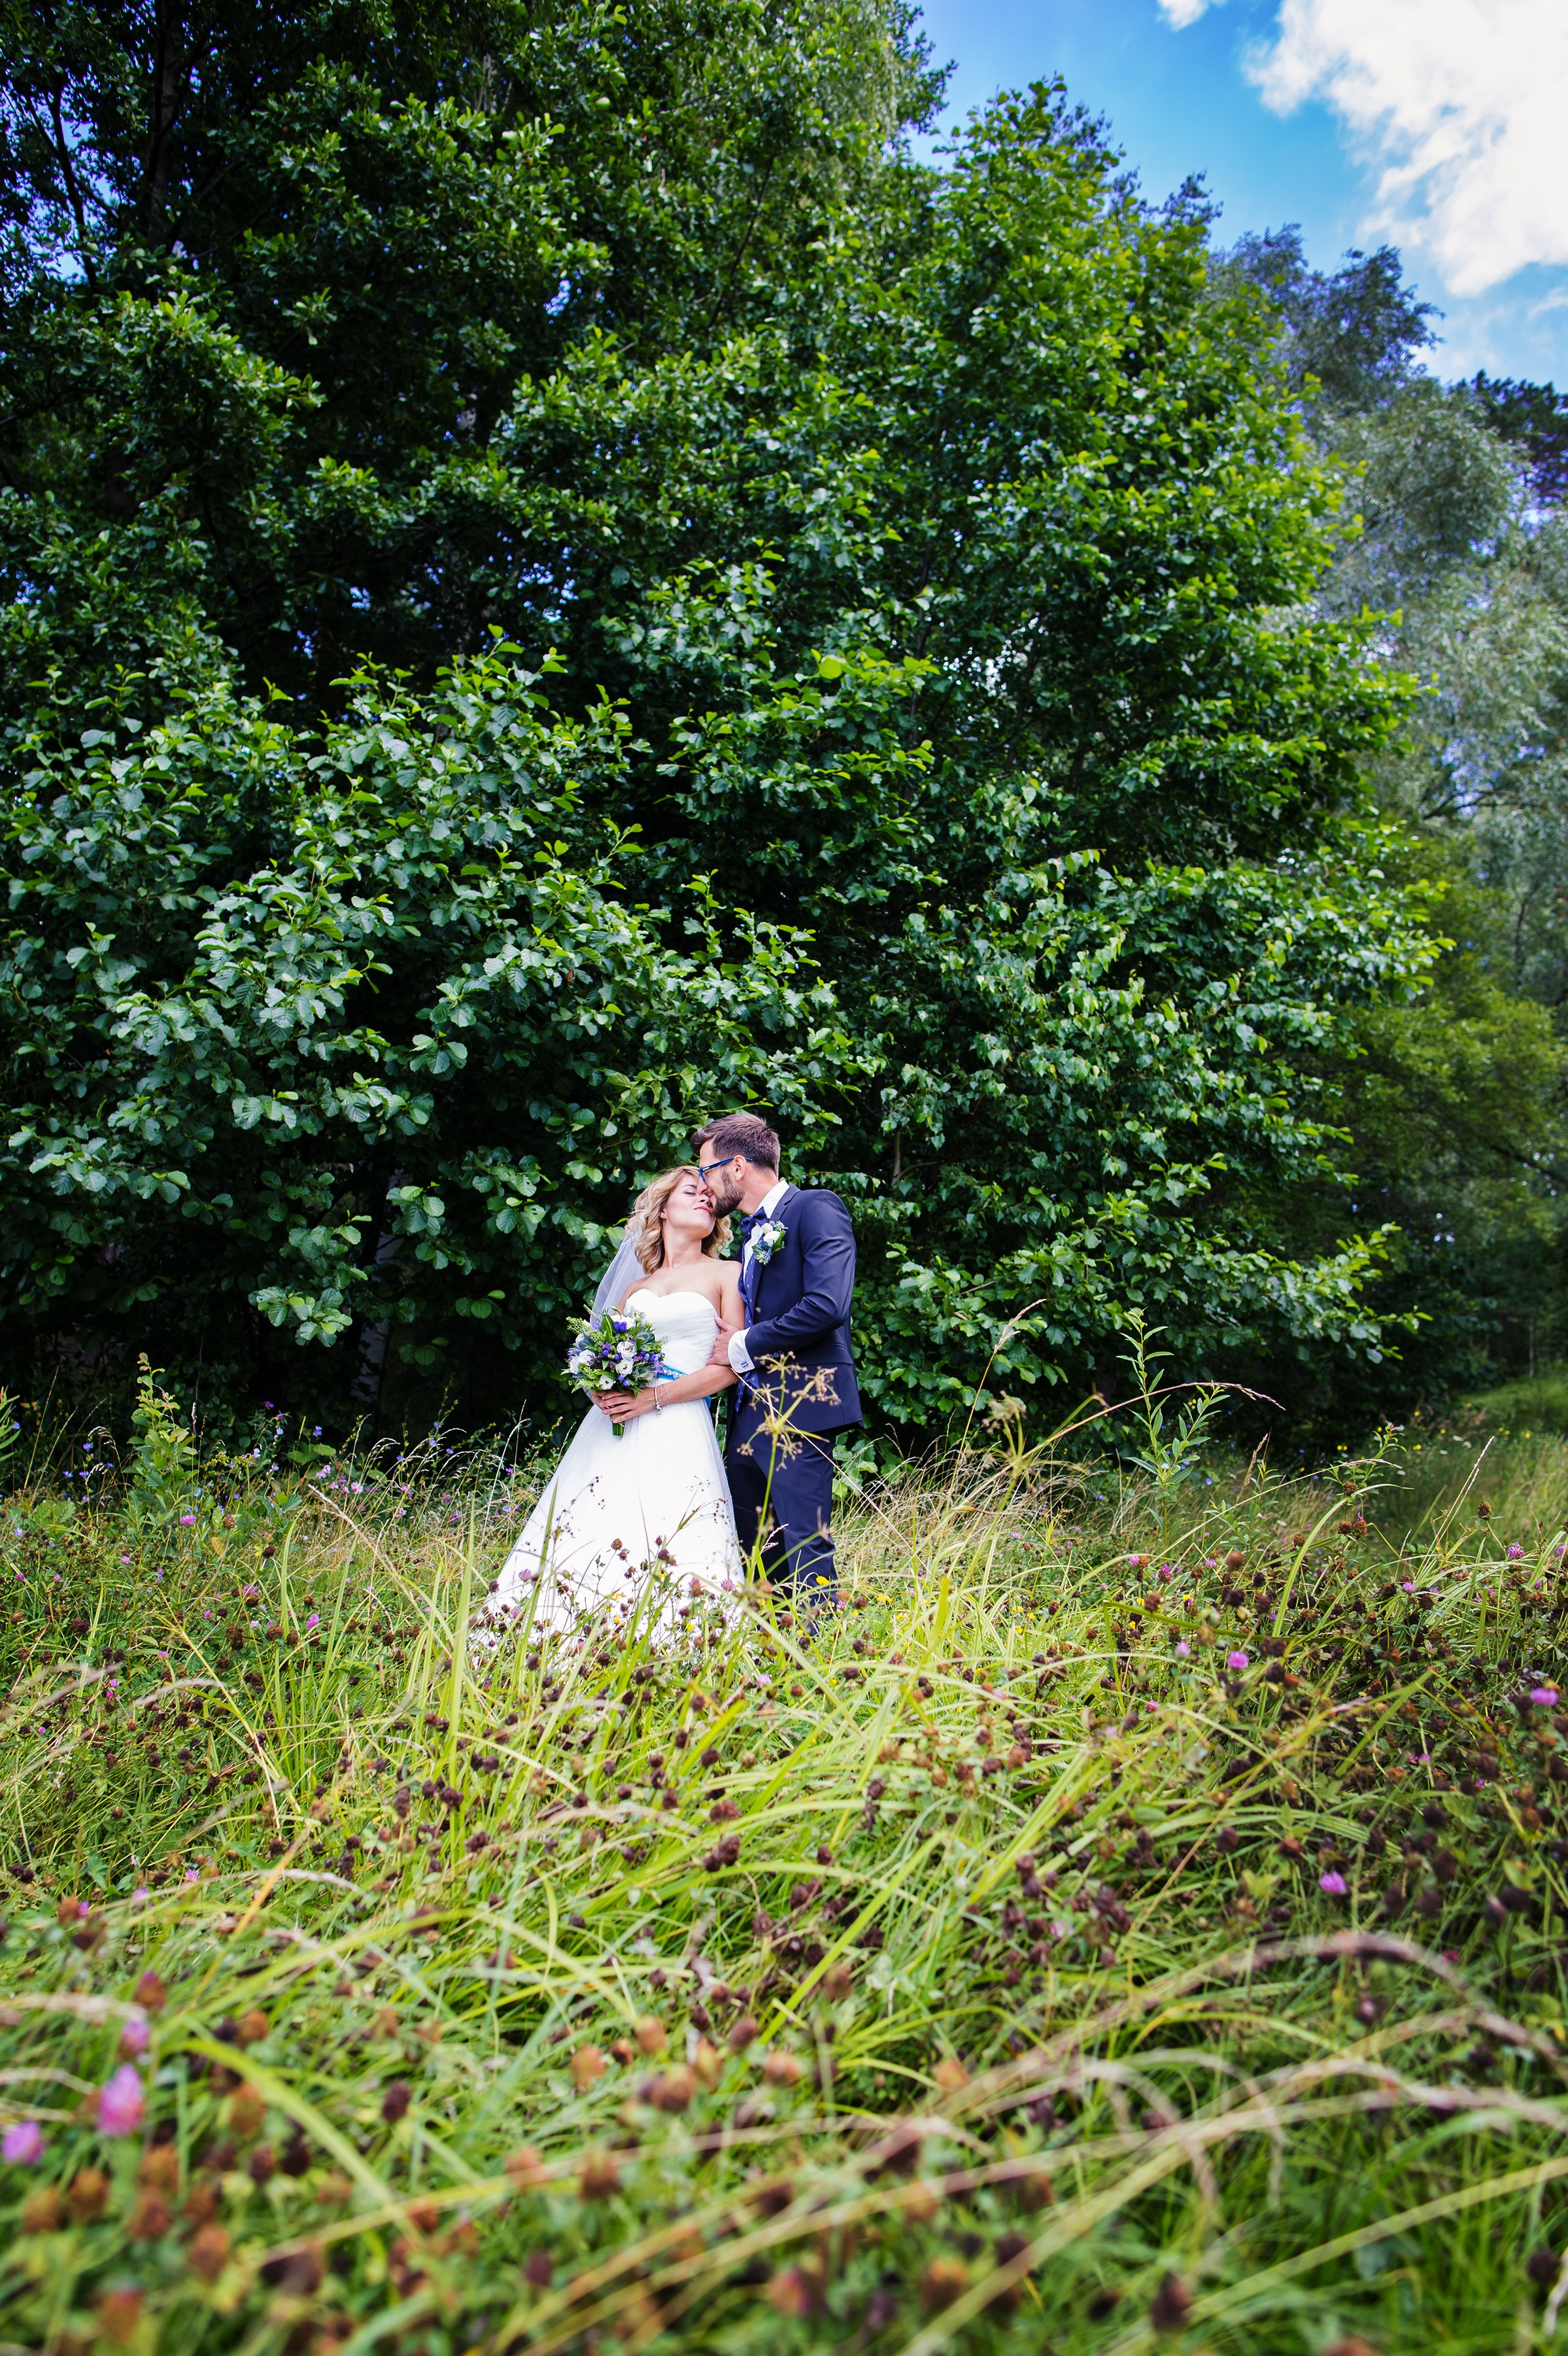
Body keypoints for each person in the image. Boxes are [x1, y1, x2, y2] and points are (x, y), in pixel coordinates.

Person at [486, 1168, 744, 1637]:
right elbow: (601, 1357)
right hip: (613, 1425)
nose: (707, 1200)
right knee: (592, 1518)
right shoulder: (633, 1291)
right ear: (663, 1209)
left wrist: (654, 1397)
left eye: (711, 1196)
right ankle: (566, 1634)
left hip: (679, 1422)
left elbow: (727, 1368)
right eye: (693, 1192)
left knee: (671, 1524)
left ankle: (678, 1640)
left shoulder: (729, 1274)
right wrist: (603, 1385)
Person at [694, 1110, 860, 1610]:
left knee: (804, 1546)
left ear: (737, 1167)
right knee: (757, 1552)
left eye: (706, 1171)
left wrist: (742, 1345)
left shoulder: (814, 1208)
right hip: (749, 1411)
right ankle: (772, 1663)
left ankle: (822, 1665)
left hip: (804, 1402)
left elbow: (827, 1306)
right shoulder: (747, 1234)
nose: (704, 1186)